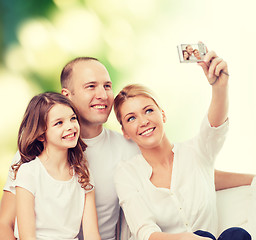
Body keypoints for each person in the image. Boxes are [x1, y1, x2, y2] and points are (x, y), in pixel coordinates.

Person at [0, 56, 254, 240]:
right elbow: (5, 226)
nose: (103, 94)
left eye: (107, 86)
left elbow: (189, 173)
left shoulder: (128, 148)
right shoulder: (31, 158)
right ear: (67, 95)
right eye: (91, 87)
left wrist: (251, 179)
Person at [113, 51, 252, 240]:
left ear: (162, 115)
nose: (143, 121)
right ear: (125, 132)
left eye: (148, 111)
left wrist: (220, 87)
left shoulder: (196, 153)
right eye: (131, 118)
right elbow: (145, 232)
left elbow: (214, 127)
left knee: (236, 235)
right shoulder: (126, 173)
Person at [12, 92, 100, 240]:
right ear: (40, 135)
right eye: (59, 123)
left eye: (73, 119)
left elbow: (92, 234)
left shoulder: (83, 173)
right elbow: (27, 237)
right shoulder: (29, 173)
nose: (70, 126)